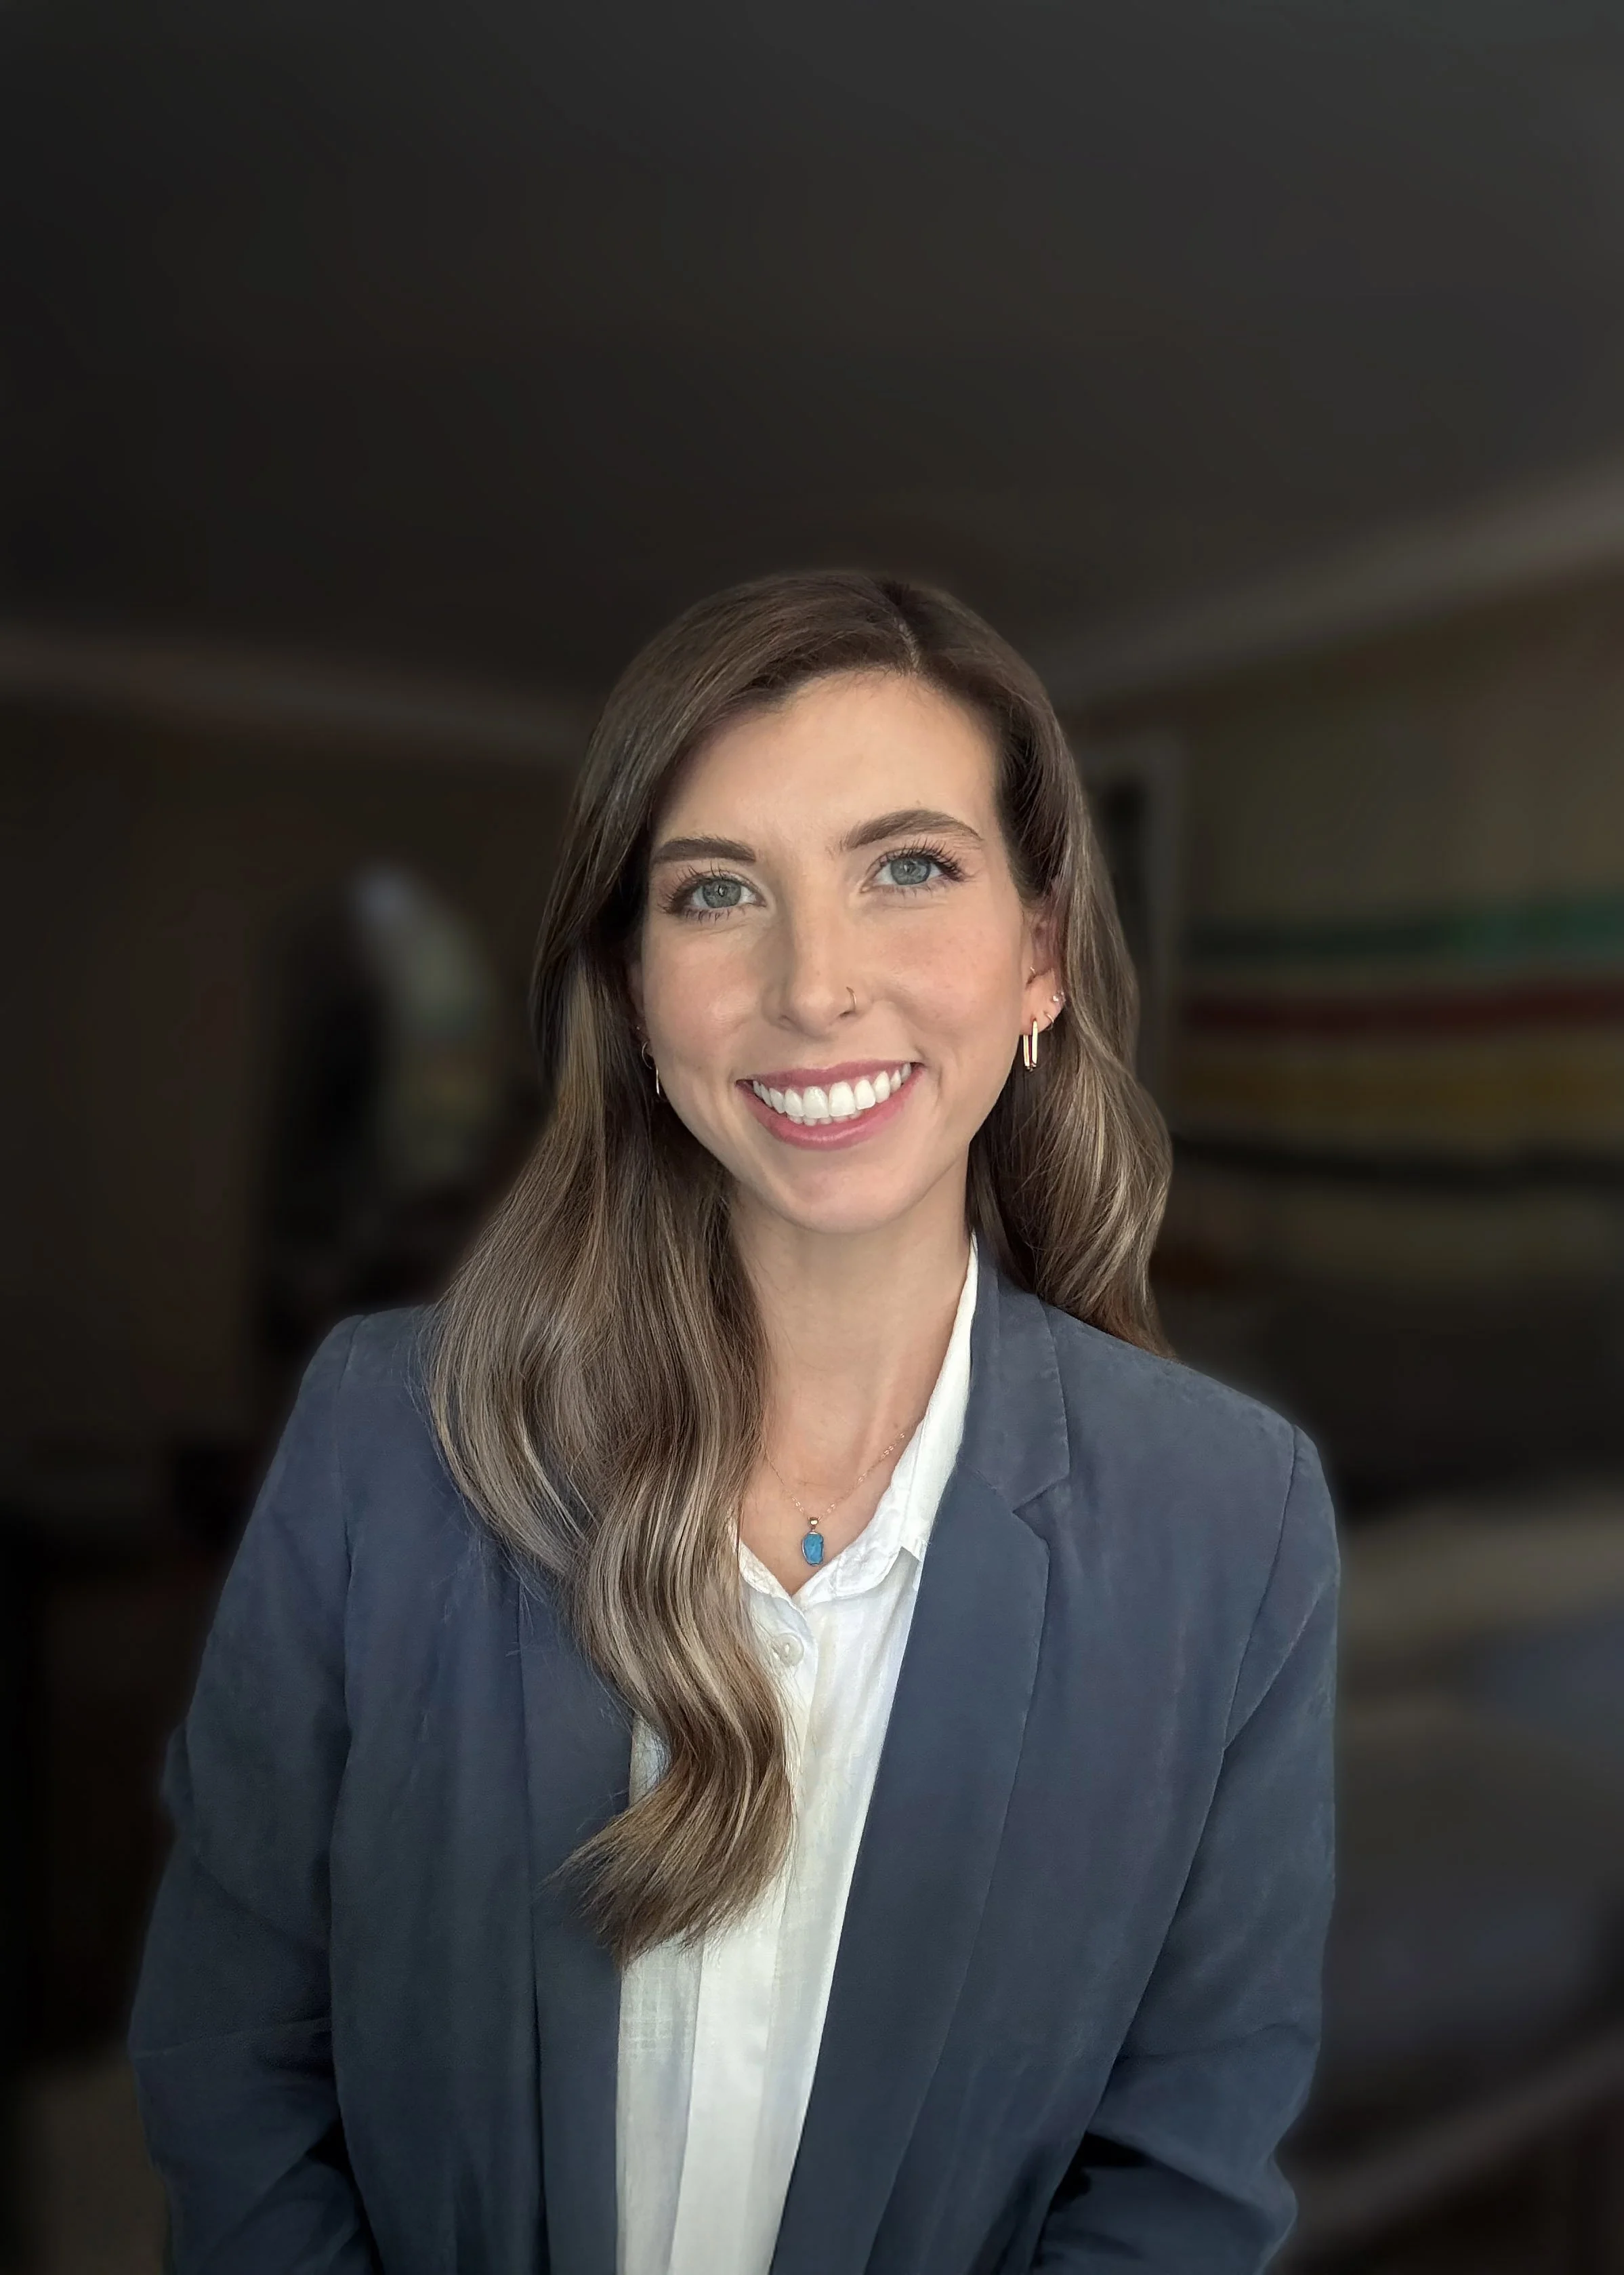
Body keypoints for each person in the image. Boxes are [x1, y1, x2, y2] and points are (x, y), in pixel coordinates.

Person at [130, 571, 1337, 2275]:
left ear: (1041, 956)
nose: (813, 986)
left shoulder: (1231, 1518)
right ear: (633, 988)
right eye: (716, 892)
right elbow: (231, 2055)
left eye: (906, 868)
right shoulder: (385, 1437)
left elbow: (1180, 2180)